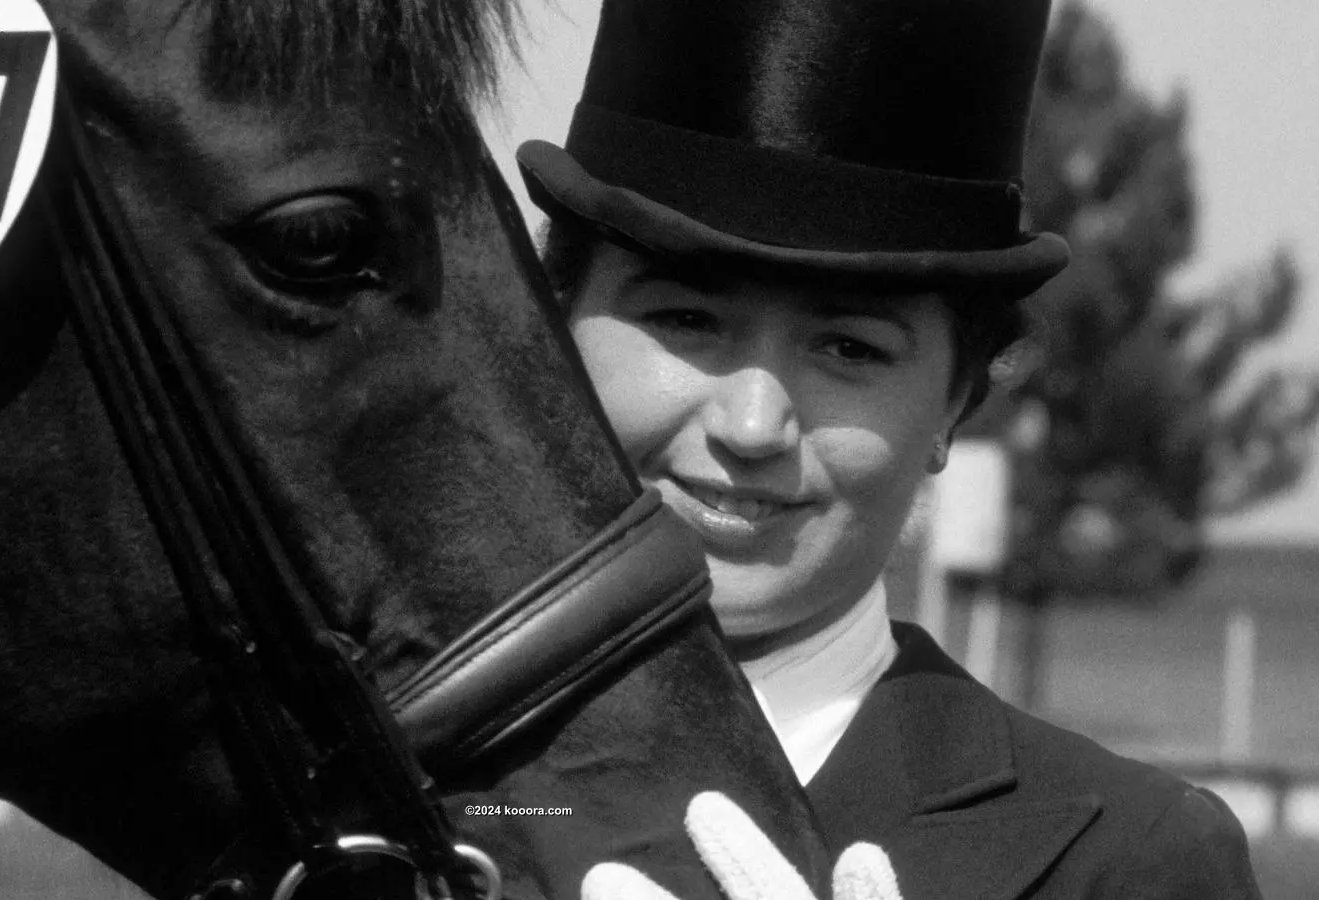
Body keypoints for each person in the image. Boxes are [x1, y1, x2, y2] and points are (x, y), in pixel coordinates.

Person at [515, 0, 1264, 896]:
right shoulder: (412, 793)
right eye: (686, 318)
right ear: (552, 330)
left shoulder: (1130, 862)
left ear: (956, 401)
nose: (751, 427)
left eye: (849, 348)